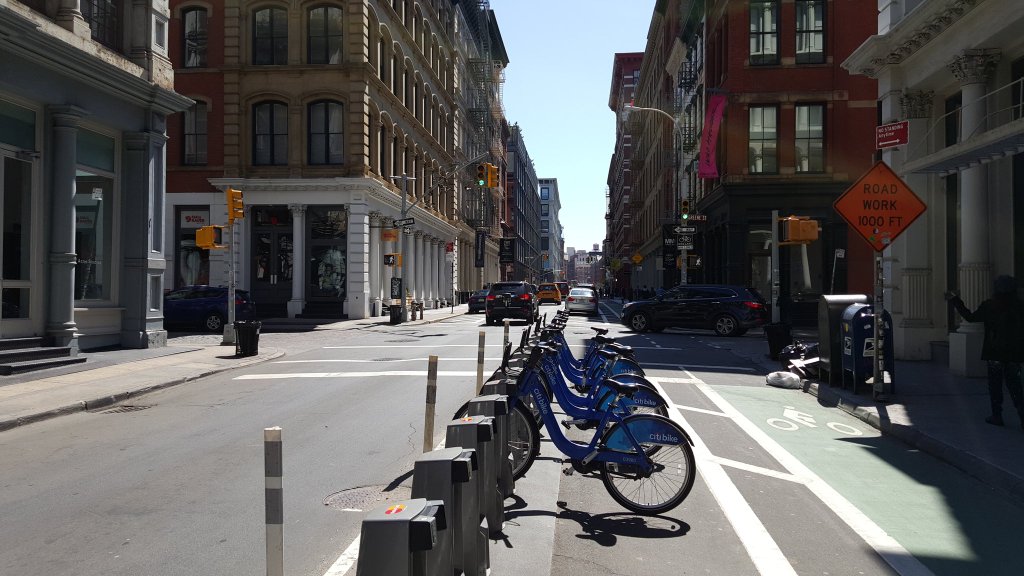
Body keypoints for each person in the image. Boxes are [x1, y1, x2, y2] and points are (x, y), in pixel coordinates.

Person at [946, 275, 1024, 427]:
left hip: (995, 352)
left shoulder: (990, 306)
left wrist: (956, 300)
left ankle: (997, 415)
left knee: (995, 386)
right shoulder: (1020, 307)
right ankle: (1022, 416)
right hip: (1014, 353)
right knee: (1015, 386)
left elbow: (970, 317)